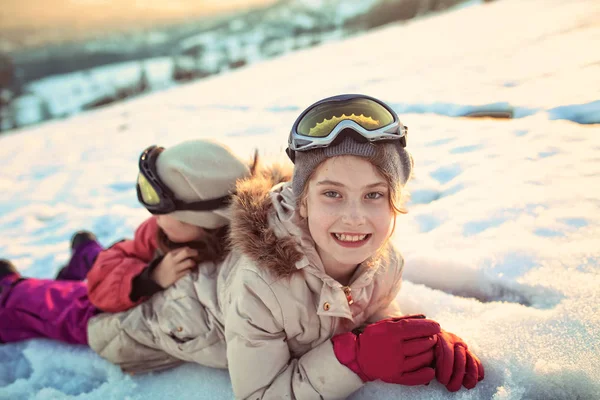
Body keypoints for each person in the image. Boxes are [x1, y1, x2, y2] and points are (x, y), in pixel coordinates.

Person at [87, 94, 484, 397]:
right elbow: (258, 393)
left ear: (395, 200)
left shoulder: (387, 262)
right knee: (80, 317)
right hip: (154, 326)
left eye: (374, 195)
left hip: (203, 294)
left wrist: (416, 338)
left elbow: (371, 307)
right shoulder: (260, 282)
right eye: (332, 193)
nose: (354, 217)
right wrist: (354, 359)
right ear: (302, 200)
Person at [0, 139, 253, 344]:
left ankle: (83, 256)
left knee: (83, 300)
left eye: (163, 212)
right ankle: (12, 292)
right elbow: (102, 284)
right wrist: (148, 280)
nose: (154, 217)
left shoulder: (237, 253)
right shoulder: (162, 232)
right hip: (120, 290)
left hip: (137, 297)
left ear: (198, 222)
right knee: (75, 308)